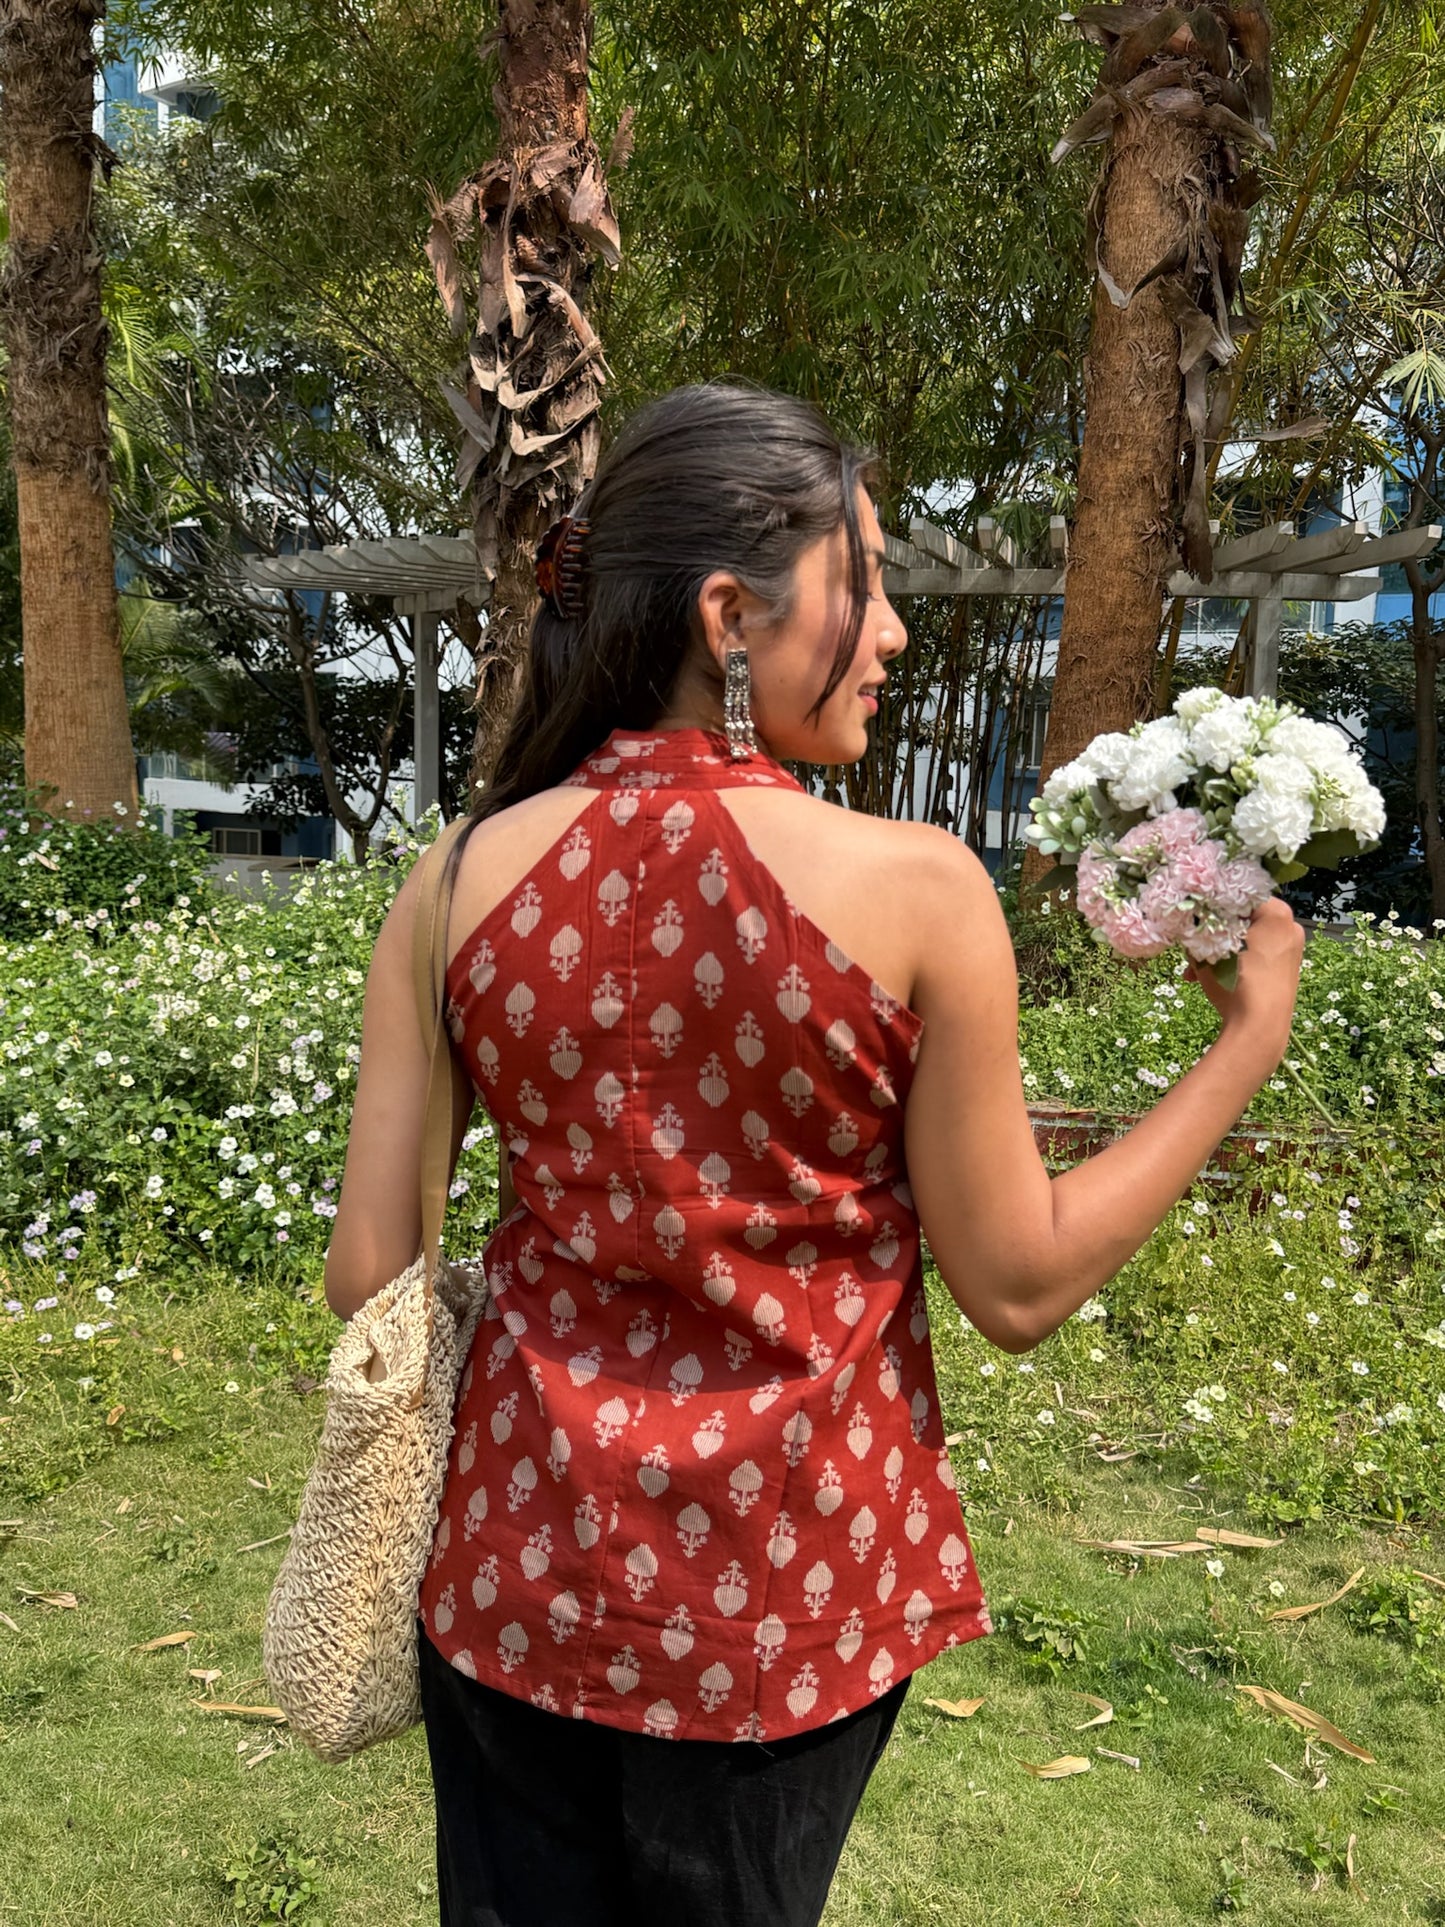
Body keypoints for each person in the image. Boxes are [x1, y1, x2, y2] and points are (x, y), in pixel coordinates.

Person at [323, 383, 1305, 1927]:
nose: (897, 633)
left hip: (517, 1586)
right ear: (729, 613)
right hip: (784, 1611)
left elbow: (368, 1275)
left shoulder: (454, 881)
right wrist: (1244, 1043)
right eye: (867, 581)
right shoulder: (917, 891)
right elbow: (1020, 1280)